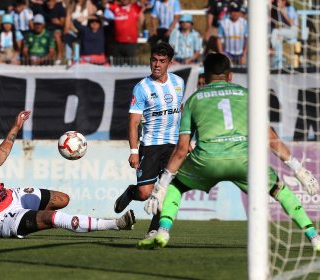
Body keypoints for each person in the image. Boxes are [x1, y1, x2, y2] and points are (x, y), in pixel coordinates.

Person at [137, 52, 320, 250]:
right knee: (280, 190)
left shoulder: (193, 100)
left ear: (204, 77)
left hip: (207, 160)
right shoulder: (246, 95)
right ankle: (314, 236)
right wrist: (298, 169)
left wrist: (162, 185)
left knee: (176, 186)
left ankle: (163, 230)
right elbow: (272, 139)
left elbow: (182, 150)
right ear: (230, 76)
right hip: (243, 161)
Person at [0, 88, 136, 238]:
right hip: (1, 217)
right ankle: (114, 224)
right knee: (53, 218)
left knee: (63, 199)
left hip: (13, 197)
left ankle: (38, 220)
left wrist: (15, 127)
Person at [114, 42, 185, 238]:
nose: (157, 65)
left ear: (170, 63)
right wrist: (134, 151)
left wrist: (186, 140)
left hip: (172, 146)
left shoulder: (179, 82)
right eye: (154, 60)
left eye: (162, 61)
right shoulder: (142, 88)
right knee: (145, 193)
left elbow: (182, 109)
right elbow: (133, 123)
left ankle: (153, 230)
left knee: (166, 190)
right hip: (151, 146)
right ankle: (131, 192)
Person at [105, 0, 147, 65]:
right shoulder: (115, 7)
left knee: (132, 68)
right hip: (117, 44)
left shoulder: (135, 6)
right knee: (117, 68)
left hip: (130, 44)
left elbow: (143, 1)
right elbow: (104, 3)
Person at [217, 1, 248, 66]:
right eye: (233, 11)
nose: (235, 13)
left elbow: (247, 39)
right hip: (228, 53)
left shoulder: (244, 23)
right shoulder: (223, 23)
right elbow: (219, 39)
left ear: (239, 12)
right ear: (230, 12)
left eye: (237, 11)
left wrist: (244, 55)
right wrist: (221, 54)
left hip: (240, 54)